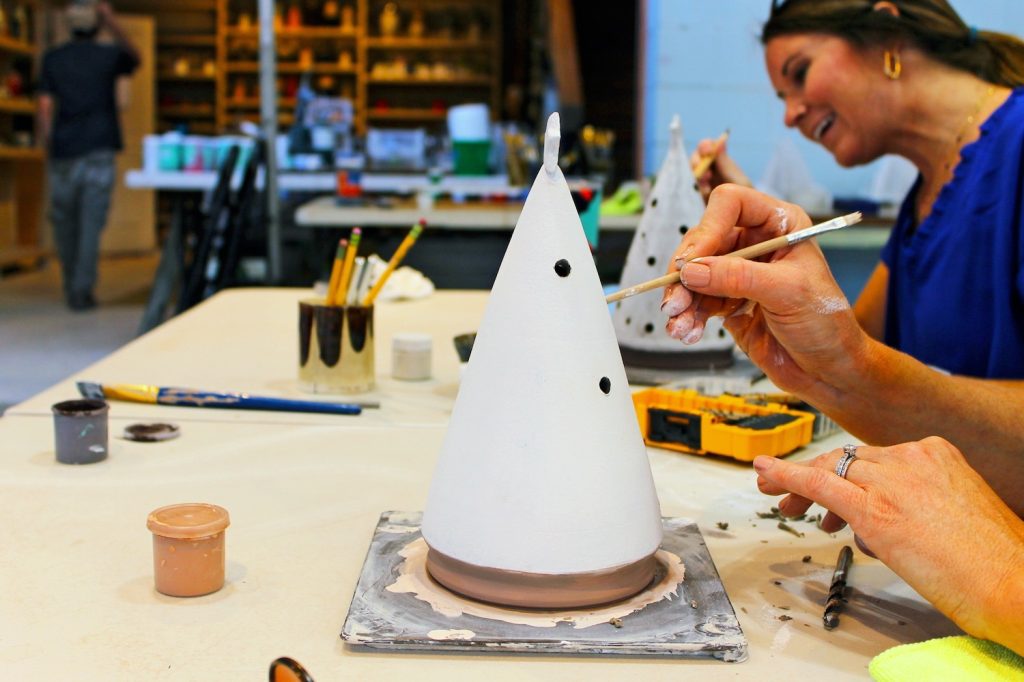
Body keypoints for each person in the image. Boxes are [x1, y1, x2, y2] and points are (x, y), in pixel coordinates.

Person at [664, 184, 1024, 657]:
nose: (791, 116)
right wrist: (841, 371)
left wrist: (1004, 573)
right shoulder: (925, 195)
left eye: (788, 101)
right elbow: (866, 344)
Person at [690, 0, 1024, 379]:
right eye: (783, 98)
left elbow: (858, 367)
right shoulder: (927, 197)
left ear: (886, 33)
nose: (789, 116)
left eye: (800, 73)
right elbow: (851, 353)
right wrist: (762, 243)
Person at [38, 1, 140, 311]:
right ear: (97, 25)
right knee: (90, 225)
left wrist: (48, 144)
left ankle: (73, 284)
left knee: (65, 224)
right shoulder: (108, 56)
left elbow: (44, 106)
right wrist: (112, 21)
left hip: (64, 151)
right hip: (99, 149)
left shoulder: (53, 59)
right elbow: (135, 57)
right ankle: (82, 289)